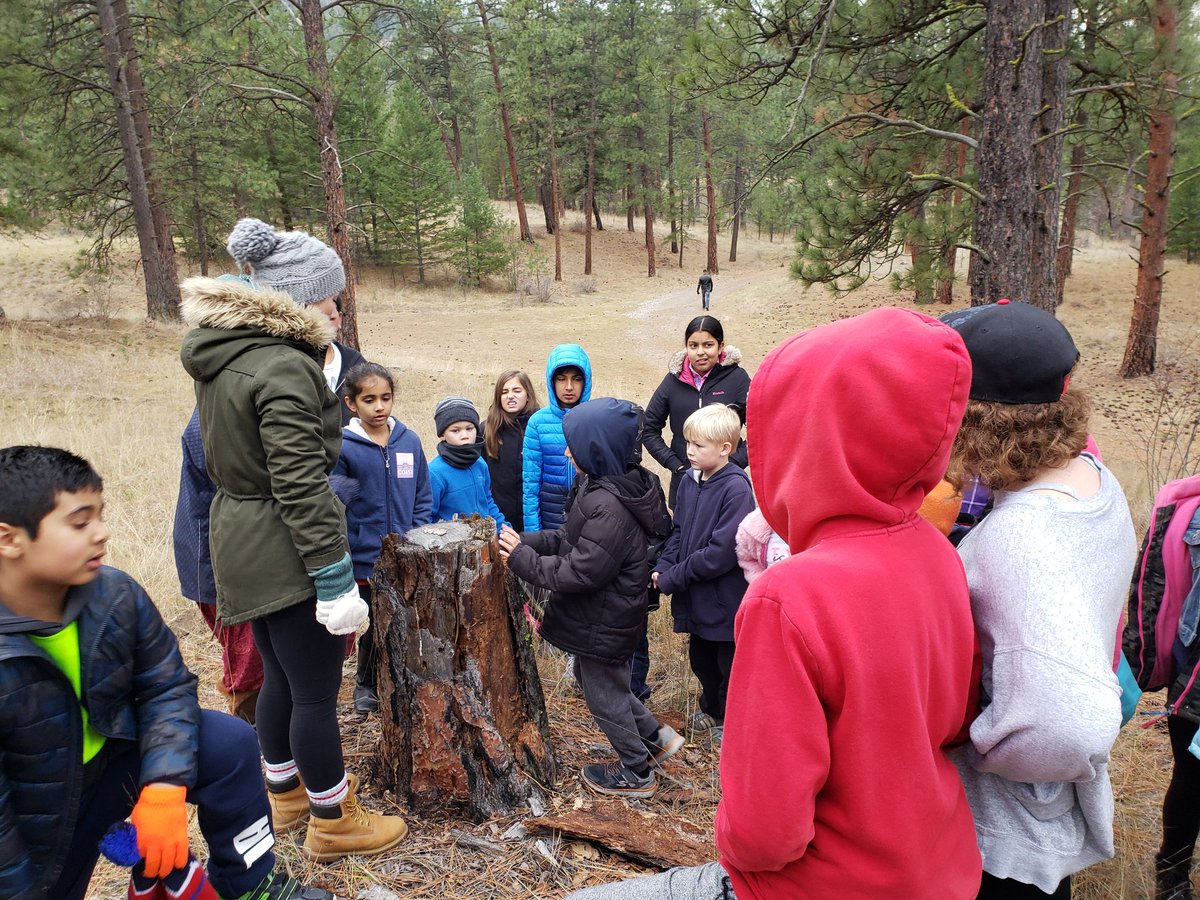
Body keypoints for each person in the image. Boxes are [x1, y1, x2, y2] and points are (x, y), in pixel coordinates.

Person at [567, 307, 983, 899]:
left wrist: (735, 843)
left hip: (818, 884)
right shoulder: (937, 555)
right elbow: (956, 720)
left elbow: (765, 832)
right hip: (937, 867)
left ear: (804, 444)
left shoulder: (787, 598)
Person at [0, 445, 334, 900]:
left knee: (230, 743)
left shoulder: (113, 594)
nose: (102, 534)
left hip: (111, 765)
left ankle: (252, 885)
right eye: (80, 523)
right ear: (9, 539)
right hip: (35, 819)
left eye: (101, 515)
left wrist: (163, 785)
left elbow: (165, 686)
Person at [180, 217, 408, 862]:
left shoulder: (230, 355)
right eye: (332, 297)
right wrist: (335, 581)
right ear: (301, 298)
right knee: (313, 689)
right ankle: (334, 819)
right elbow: (301, 486)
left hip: (241, 536)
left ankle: (283, 790)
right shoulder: (285, 367)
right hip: (284, 544)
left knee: (280, 672)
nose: (339, 309)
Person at [943, 299, 1137, 899]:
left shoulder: (1016, 539)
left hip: (1000, 839)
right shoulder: (1094, 482)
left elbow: (1071, 727)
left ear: (976, 421)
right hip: (1043, 824)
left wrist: (969, 746)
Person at [499, 398, 685, 800]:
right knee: (599, 681)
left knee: (603, 694)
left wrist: (522, 560)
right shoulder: (599, 486)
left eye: (575, 446)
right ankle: (653, 739)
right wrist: (526, 540)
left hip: (606, 616)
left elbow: (581, 571)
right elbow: (569, 541)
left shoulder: (609, 507)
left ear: (597, 450)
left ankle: (636, 771)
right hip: (604, 614)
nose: (567, 452)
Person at [652, 404, 755, 742]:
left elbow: (719, 554)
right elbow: (679, 531)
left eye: (699, 446)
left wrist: (673, 577)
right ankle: (710, 708)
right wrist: (664, 565)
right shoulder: (689, 481)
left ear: (726, 448)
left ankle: (731, 720)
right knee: (701, 658)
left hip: (723, 599)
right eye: (687, 443)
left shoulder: (736, 488)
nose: (689, 451)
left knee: (728, 663)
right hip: (695, 594)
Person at [333, 362, 432, 714]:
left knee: (401, 620)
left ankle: (401, 678)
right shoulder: (344, 447)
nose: (379, 407)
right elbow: (335, 503)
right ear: (351, 404)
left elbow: (422, 493)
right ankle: (366, 683)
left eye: (386, 398)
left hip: (403, 553)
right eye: (369, 399)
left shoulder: (409, 440)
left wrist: (415, 535)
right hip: (362, 556)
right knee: (373, 622)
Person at [173, 408, 264, 725]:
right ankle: (253, 730)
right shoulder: (214, 418)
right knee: (248, 655)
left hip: (233, 559)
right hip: (223, 563)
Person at [643, 317, 751, 508]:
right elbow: (648, 428)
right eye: (693, 345)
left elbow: (761, 431)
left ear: (720, 346)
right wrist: (675, 464)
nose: (700, 352)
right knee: (683, 534)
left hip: (727, 484)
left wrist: (732, 463)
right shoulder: (673, 381)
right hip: (684, 482)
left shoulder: (738, 379)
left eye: (708, 345)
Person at [522, 344, 593, 532]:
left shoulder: (595, 418)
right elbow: (530, 484)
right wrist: (533, 533)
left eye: (576, 379)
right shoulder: (537, 422)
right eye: (561, 379)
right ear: (551, 381)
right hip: (550, 516)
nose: (569, 387)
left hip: (589, 515)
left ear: (585, 382)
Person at [429, 396, 508, 530]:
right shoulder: (434, 473)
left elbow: (487, 501)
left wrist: (504, 530)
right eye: (455, 430)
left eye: (469, 428)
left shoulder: (480, 464)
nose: (464, 435)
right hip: (452, 547)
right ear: (442, 434)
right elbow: (427, 516)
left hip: (484, 542)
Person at [484, 370, 541, 531]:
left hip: (534, 519)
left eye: (517, 391)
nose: (510, 396)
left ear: (528, 395)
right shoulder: (487, 430)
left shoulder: (539, 427)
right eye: (504, 392)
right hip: (499, 520)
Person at [316, 298, 366, 426]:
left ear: (340, 318)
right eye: (320, 318)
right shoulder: (295, 362)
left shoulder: (353, 360)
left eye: (331, 319)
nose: (325, 325)